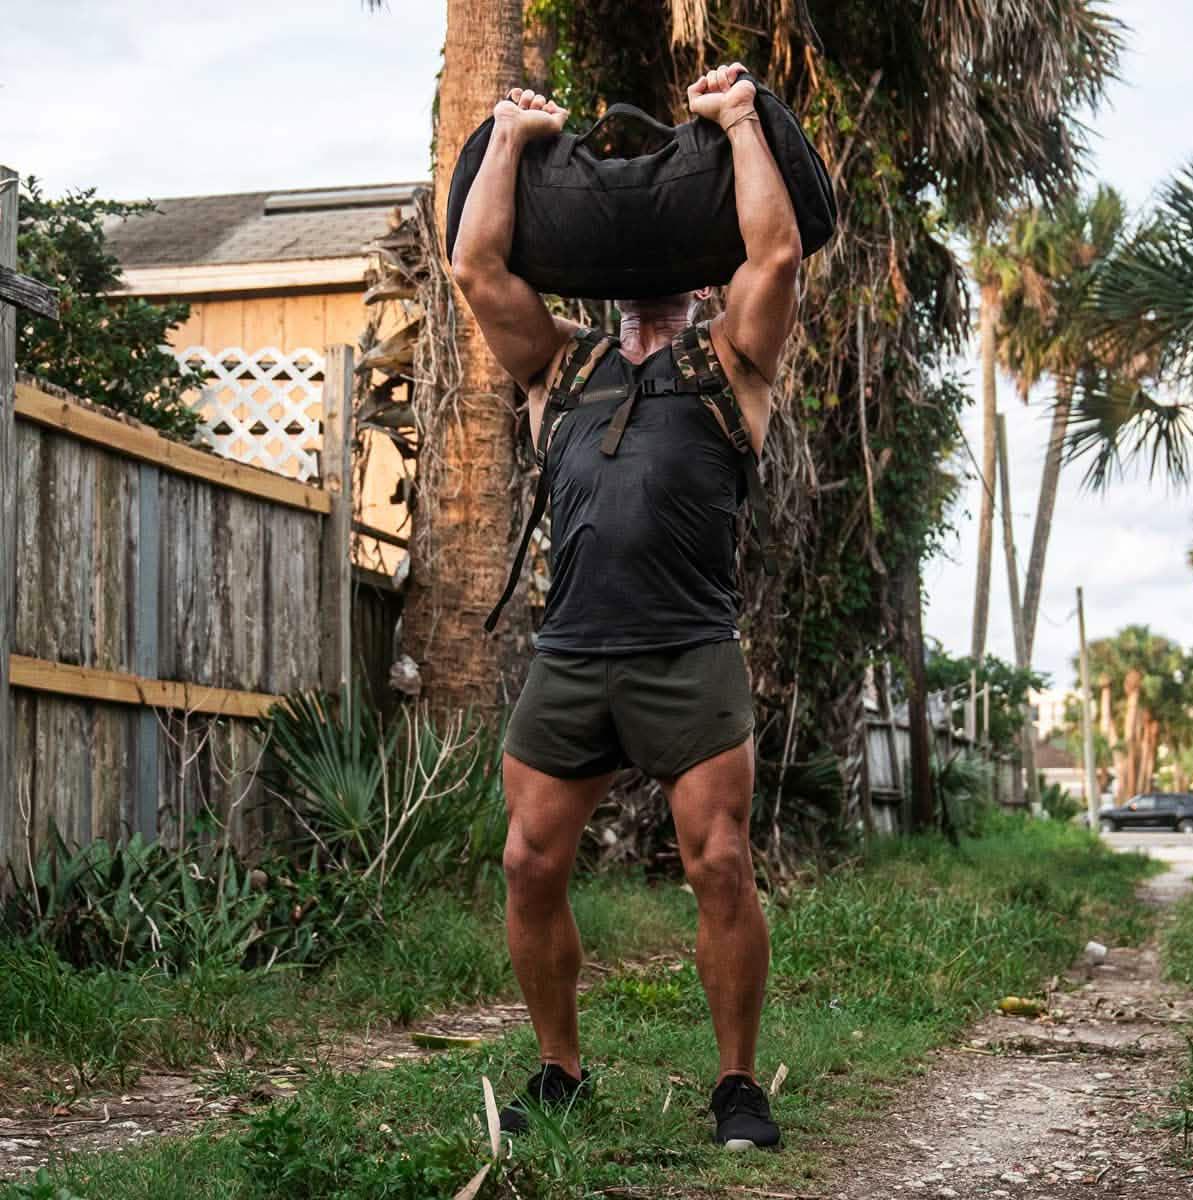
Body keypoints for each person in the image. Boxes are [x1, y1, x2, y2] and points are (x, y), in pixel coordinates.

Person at [450, 62, 801, 1152]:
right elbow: (475, 267)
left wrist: (741, 119)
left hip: (688, 651)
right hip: (574, 651)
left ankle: (738, 1085)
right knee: (527, 862)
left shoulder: (734, 362)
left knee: (720, 863)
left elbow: (777, 252)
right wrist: (509, 135)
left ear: (693, 282)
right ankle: (560, 1068)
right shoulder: (562, 366)